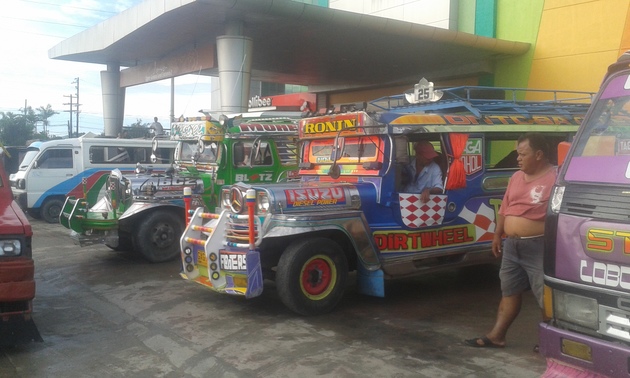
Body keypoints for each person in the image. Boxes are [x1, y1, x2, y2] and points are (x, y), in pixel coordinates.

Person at [464, 133, 556, 349]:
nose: (518, 158)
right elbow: (505, 208)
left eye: (523, 154)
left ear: (539, 155)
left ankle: (549, 341)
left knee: (545, 295)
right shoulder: (516, 177)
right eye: (518, 154)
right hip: (512, 246)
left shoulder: (555, 178)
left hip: (539, 245)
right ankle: (497, 336)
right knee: (509, 290)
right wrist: (497, 235)